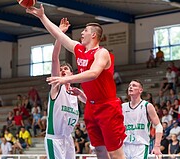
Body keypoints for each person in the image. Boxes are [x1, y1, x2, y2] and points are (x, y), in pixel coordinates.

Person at [27, 6, 126, 159]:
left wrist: (65, 79)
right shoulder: (79, 50)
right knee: (99, 150)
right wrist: (42, 16)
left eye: (85, 31)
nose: (81, 33)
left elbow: (93, 73)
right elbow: (59, 35)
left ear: (93, 35)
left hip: (107, 106)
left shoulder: (102, 52)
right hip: (91, 106)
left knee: (114, 152)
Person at [40, 18, 86, 159]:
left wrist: (82, 95)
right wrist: (60, 33)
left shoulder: (76, 93)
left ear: (72, 74)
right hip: (55, 138)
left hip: (68, 139)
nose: (62, 70)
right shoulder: (57, 87)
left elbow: (90, 102)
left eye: (66, 69)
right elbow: (55, 58)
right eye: (61, 70)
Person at [122, 79, 163, 159]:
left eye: (134, 86)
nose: (130, 87)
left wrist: (157, 146)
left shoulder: (147, 105)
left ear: (140, 90)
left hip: (140, 146)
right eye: (130, 86)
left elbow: (158, 126)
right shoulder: (123, 106)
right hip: (125, 145)